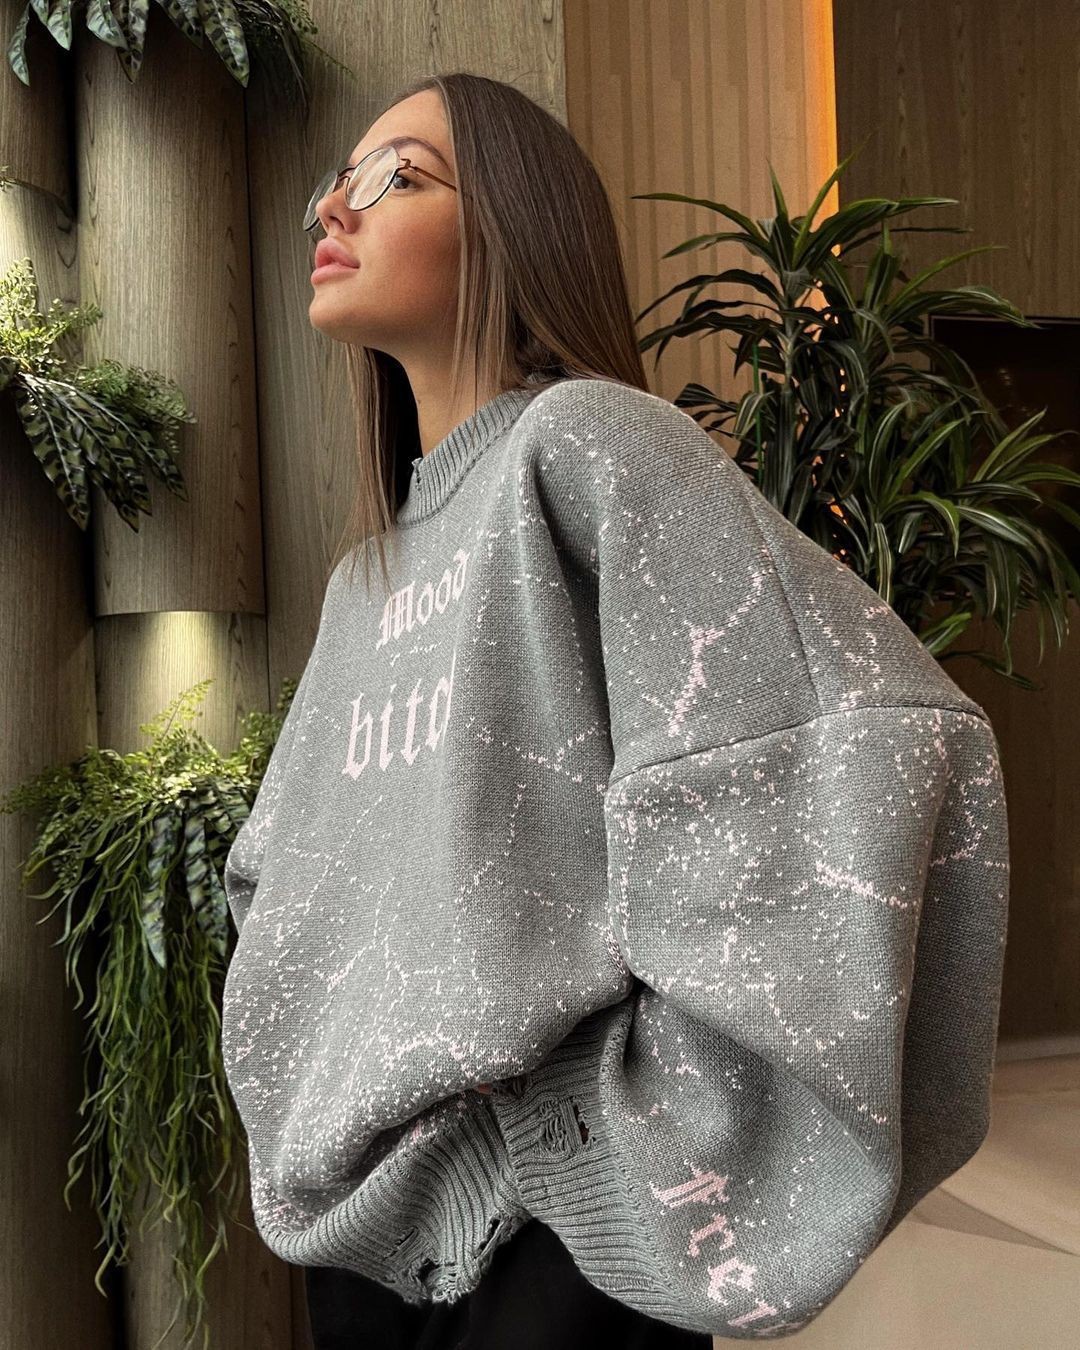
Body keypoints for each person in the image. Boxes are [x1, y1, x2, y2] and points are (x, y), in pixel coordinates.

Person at [220, 71, 1010, 1348]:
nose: (335, 209)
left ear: (514, 223)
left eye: (397, 176)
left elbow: (869, 733)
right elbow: (285, 875)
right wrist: (305, 1078)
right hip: (367, 1234)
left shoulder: (588, 444)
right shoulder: (367, 579)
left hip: (558, 1248)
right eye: (337, 181)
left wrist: (602, 1124)